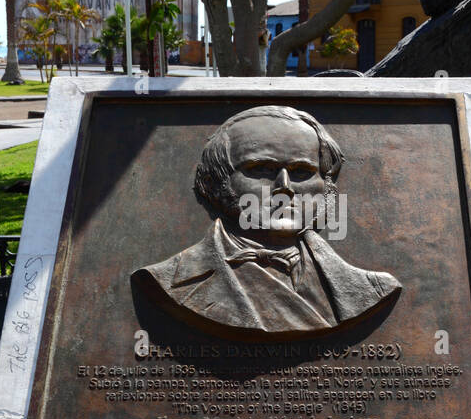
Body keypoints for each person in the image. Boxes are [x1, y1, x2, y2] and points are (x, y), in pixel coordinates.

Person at [132, 104, 401, 338]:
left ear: (327, 186)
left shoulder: (372, 289)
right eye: (261, 169)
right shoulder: (167, 281)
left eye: (301, 172)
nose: (283, 187)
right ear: (215, 182)